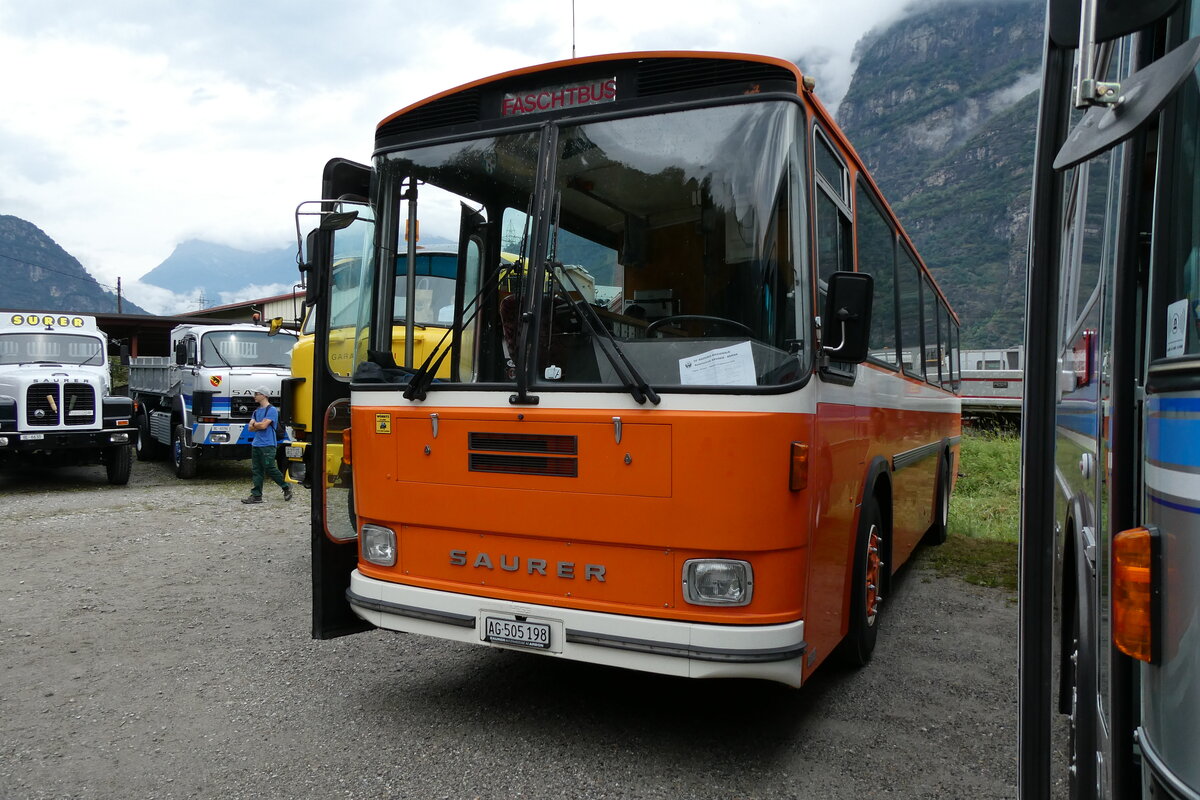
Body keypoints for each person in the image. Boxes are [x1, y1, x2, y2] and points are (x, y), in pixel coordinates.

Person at [242, 387, 292, 504]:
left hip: (268, 444)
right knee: (257, 470)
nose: (254, 396)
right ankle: (256, 495)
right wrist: (258, 424)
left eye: (256, 394)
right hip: (256, 444)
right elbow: (250, 428)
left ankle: (286, 486)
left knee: (270, 467)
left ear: (264, 395)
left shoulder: (272, 410)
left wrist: (256, 424)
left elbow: (263, 426)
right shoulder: (256, 411)